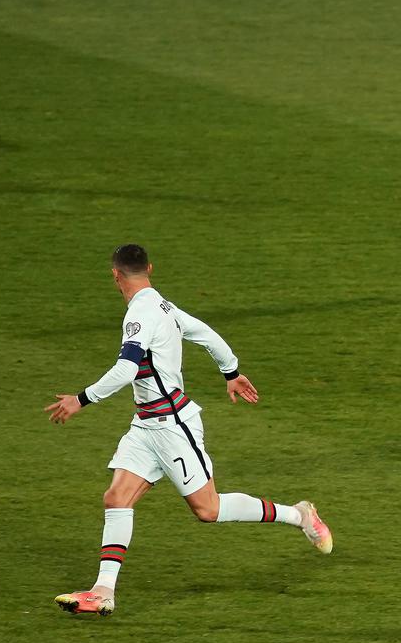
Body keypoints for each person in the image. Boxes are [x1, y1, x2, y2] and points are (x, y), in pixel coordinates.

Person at [45, 244, 333, 617]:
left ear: (115, 274)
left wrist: (80, 400)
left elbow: (127, 370)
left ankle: (299, 515)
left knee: (208, 510)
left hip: (173, 427)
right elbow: (206, 334)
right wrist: (230, 371)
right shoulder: (164, 306)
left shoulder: (140, 315)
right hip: (145, 425)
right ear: (149, 268)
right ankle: (103, 591)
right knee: (116, 498)